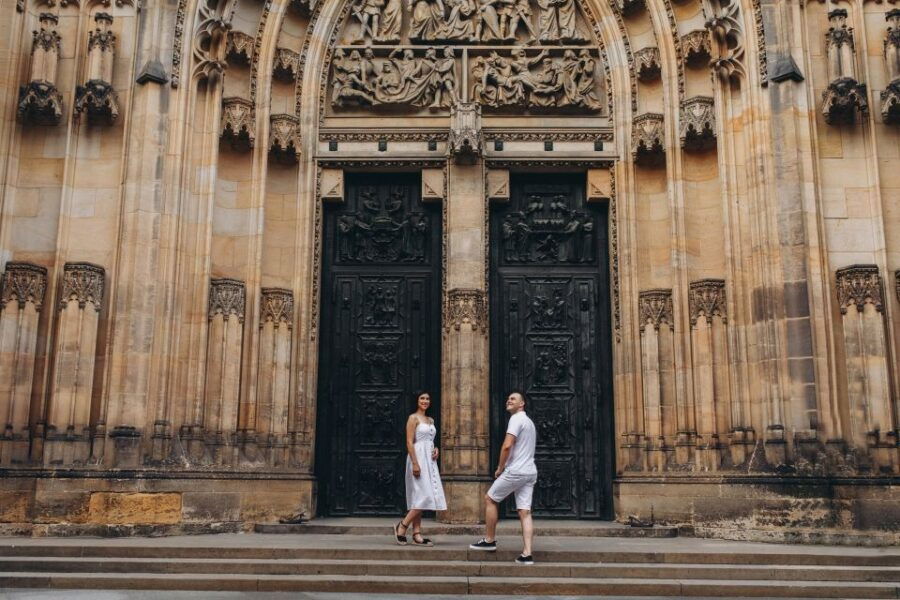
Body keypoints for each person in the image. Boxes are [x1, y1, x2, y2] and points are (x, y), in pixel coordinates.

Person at [470, 392, 538, 564]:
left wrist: (500, 468)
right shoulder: (529, 423)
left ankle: (490, 540)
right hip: (530, 472)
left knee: (490, 498)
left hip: (516, 470)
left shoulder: (516, 419)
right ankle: (527, 553)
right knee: (525, 511)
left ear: (522, 404)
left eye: (513, 399)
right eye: (508, 398)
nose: (508, 400)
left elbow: (507, 446)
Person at [393, 391, 447, 546]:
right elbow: (410, 442)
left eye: (428, 398)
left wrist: (436, 448)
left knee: (421, 495)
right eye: (422, 398)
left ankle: (417, 534)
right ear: (416, 401)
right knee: (424, 495)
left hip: (429, 460)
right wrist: (415, 463)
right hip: (417, 458)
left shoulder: (430, 419)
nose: (425, 401)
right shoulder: (413, 418)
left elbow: (430, 440)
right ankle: (402, 526)